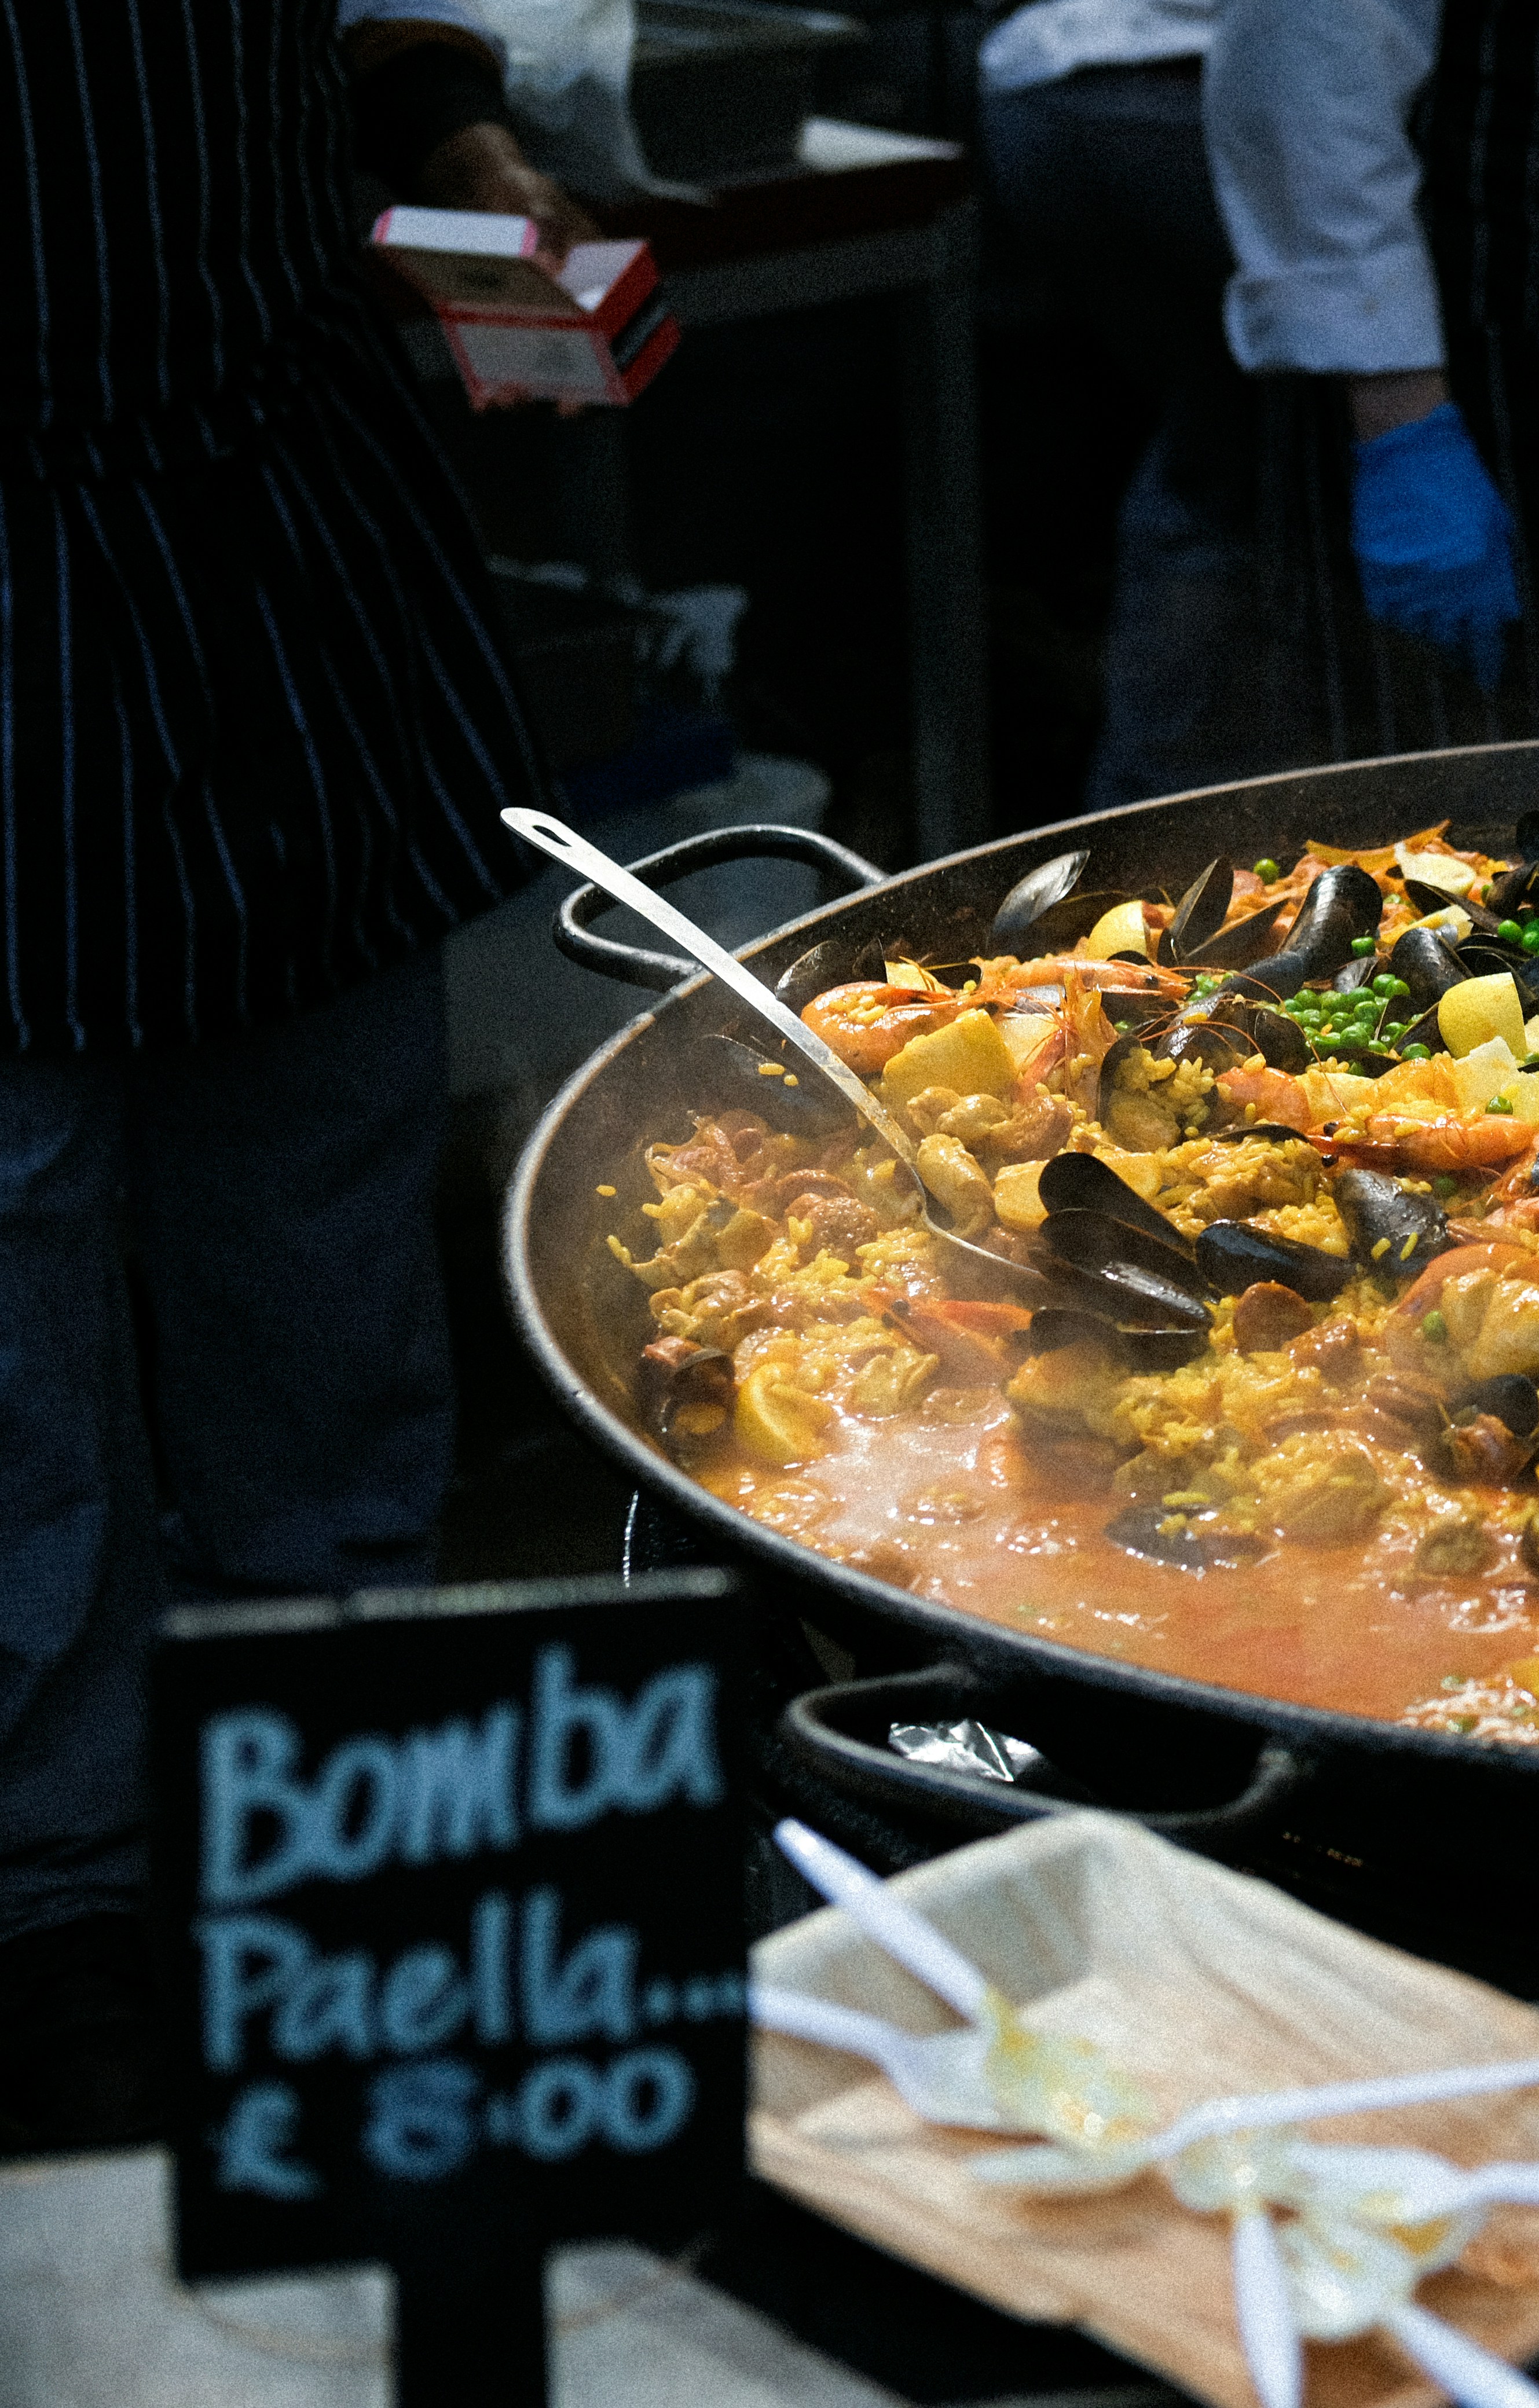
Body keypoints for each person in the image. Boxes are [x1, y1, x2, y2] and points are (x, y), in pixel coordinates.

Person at [0, 0, 570, 2152]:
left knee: (326, 1249)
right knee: (10, 1316)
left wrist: (453, 133)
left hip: (273, 531)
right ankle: (51, 1914)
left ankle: (345, 1842)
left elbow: (365, 24)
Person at [979, 0, 1525, 805]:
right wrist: (1401, 415)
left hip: (1079, 84)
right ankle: (1184, 838)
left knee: (1214, 485)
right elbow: (1311, 35)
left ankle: (1159, 821)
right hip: (1169, 100)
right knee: (1253, 506)